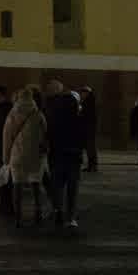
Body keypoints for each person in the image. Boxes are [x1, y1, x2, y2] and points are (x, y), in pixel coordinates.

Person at [1, 86, 48, 228]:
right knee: (36, 185)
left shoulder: (13, 114)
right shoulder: (38, 113)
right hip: (35, 156)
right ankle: (38, 214)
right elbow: (45, 134)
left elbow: (7, 137)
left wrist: (6, 158)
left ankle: (18, 218)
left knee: (17, 187)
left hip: (17, 155)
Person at [41, 83, 85, 230]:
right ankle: (71, 217)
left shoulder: (54, 120)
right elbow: (83, 139)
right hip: (74, 157)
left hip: (57, 157)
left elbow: (49, 137)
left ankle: (58, 210)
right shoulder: (79, 120)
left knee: (57, 186)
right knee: (72, 188)